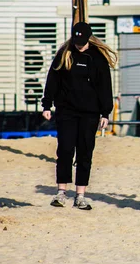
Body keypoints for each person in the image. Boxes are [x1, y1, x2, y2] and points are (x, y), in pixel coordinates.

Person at [41, 22, 117, 210]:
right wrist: (47, 104)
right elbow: (53, 79)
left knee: (85, 152)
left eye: (82, 41)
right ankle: (61, 192)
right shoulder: (64, 54)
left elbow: (104, 87)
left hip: (90, 113)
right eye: (76, 41)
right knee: (65, 150)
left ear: (89, 39)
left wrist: (105, 112)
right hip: (66, 111)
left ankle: (80, 195)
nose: (79, 45)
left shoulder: (97, 59)